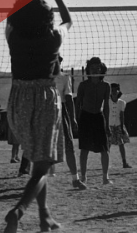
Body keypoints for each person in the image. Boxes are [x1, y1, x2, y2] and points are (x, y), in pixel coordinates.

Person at [4, 0, 70, 233]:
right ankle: (18, 211)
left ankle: (45, 217)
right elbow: (68, 21)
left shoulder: (13, 37)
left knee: (37, 163)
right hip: (44, 99)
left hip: (18, 99)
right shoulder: (53, 39)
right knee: (42, 166)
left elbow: (10, 17)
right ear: (47, 19)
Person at [77, 57, 112, 186]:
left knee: (104, 148)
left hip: (98, 116)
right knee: (84, 148)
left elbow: (107, 106)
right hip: (86, 116)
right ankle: (84, 177)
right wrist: (76, 119)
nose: (96, 70)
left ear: (101, 69)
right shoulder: (83, 85)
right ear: (88, 70)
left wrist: (107, 124)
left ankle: (105, 177)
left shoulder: (105, 86)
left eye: (98, 68)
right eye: (93, 68)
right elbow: (78, 103)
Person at [55, 59, 87, 190]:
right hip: (45, 112)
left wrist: (72, 118)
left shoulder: (64, 77)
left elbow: (68, 99)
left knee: (69, 145)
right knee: (43, 146)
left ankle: (75, 179)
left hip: (61, 111)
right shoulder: (42, 77)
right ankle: (38, 180)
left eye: (57, 60)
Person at [107, 83, 132, 169]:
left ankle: (124, 162)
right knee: (108, 144)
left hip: (118, 125)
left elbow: (122, 115)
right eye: (112, 90)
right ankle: (106, 162)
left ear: (118, 91)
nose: (114, 92)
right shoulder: (107, 102)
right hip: (109, 125)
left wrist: (122, 127)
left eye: (115, 90)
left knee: (121, 144)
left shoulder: (122, 103)